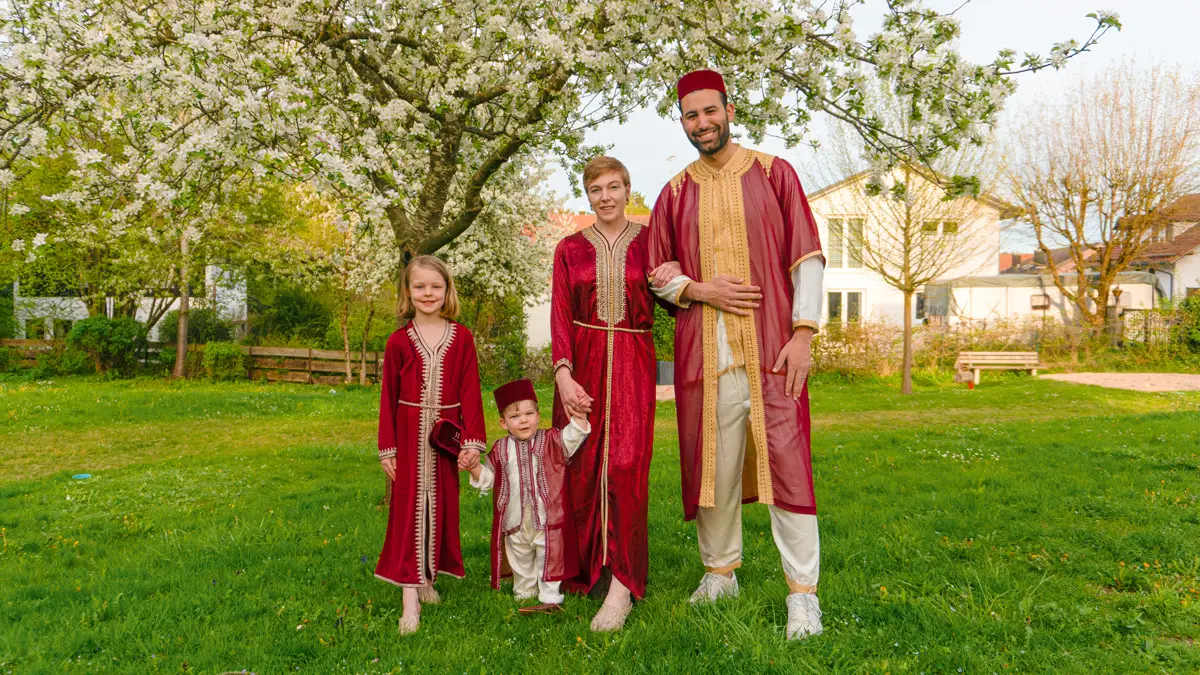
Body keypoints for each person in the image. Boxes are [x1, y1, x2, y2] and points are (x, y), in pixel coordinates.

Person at [647, 69, 827, 639]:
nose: (702, 123)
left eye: (709, 111)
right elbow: (658, 275)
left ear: (729, 109)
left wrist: (803, 333)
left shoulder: (776, 175)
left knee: (789, 467)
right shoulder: (674, 192)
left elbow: (807, 256)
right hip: (705, 357)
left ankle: (803, 594)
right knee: (712, 471)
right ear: (682, 122)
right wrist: (700, 289)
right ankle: (719, 573)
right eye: (690, 115)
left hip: (773, 351)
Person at [550, 156, 658, 631]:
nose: (607, 197)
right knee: (581, 466)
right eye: (597, 190)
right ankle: (588, 568)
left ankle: (623, 584)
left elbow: (677, 295)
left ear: (628, 189)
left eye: (615, 187)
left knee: (627, 467)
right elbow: (558, 315)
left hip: (634, 363)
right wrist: (563, 375)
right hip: (582, 365)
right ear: (588, 196)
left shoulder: (653, 243)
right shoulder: (569, 249)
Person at [375, 255, 488, 636]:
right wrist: (387, 447)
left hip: (444, 438)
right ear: (408, 291)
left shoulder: (462, 337)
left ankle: (425, 579)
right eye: (419, 286)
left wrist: (472, 441)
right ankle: (409, 600)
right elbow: (388, 398)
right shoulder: (397, 341)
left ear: (447, 291)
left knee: (438, 508)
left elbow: (470, 391)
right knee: (409, 511)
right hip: (407, 437)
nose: (427, 293)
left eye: (435, 286)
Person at [463, 379, 592, 613]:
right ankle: (524, 594)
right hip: (515, 520)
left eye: (529, 414)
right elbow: (490, 478)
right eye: (515, 416)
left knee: (548, 556)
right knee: (520, 558)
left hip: (547, 518)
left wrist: (580, 416)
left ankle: (550, 596)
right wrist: (473, 467)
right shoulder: (500, 449)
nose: (523, 420)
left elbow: (573, 437)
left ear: (538, 416)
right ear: (503, 423)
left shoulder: (551, 440)